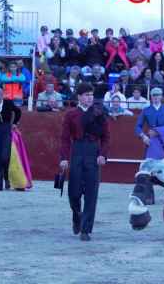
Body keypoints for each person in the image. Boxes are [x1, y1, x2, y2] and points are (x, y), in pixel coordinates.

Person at [59, 83, 110, 241]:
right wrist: (64, 158)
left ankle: (85, 229)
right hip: (77, 151)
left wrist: (103, 154)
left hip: (93, 153)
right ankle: (77, 215)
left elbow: (106, 137)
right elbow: (65, 139)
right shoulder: (71, 114)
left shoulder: (99, 113)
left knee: (91, 192)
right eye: (86, 95)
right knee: (73, 192)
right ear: (79, 97)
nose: (90, 98)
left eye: (91, 95)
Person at [135, 87, 164, 160]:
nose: (156, 97)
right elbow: (137, 127)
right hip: (152, 140)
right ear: (151, 97)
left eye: (158, 95)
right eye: (154, 95)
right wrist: (143, 136)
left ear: (161, 96)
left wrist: (159, 132)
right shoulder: (146, 110)